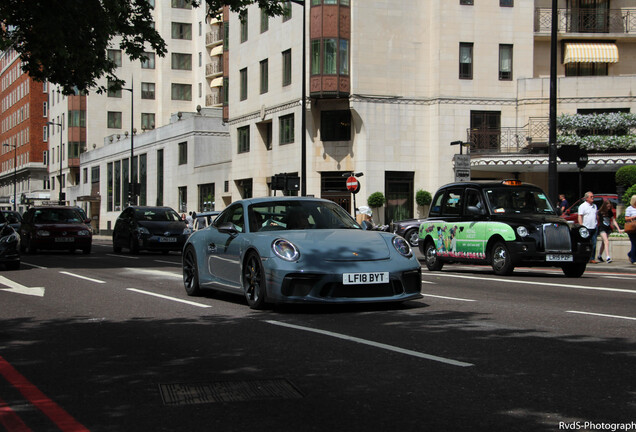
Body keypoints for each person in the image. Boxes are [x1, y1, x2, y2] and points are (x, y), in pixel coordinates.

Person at [596, 199, 623, 263]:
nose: (609, 207)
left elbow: (613, 220)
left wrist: (618, 228)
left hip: (607, 228)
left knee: (604, 243)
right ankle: (608, 257)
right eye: (607, 206)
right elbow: (597, 220)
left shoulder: (610, 212)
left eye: (609, 206)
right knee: (606, 241)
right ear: (605, 206)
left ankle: (599, 255)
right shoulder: (600, 212)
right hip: (602, 228)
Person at [578, 191, 598, 263]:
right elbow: (580, 216)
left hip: (594, 227)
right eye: (591, 197)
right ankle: (584, 257)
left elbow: (596, 216)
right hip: (586, 227)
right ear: (586, 198)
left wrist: (596, 224)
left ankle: (592, 258)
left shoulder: (594, 206)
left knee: (594, 243)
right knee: (586, 244)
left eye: (593, 196)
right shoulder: (582, 206)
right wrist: (582, 226)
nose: (593, 198)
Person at [625, 194, 636, 265]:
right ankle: (633, 259)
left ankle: (630, 254)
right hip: (632, 229)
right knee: (634, 243)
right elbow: (626, 218)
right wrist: (634, 217)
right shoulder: (629, 208)